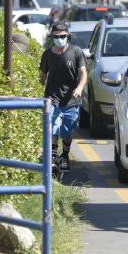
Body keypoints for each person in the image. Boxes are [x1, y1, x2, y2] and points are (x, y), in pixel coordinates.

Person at [39, 22, 87, 171]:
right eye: (56, 36)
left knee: (67, 131)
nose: (59, 39)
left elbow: (83, 73)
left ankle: (64, 155)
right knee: (52, 127)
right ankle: (53, 157)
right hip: (52, 98)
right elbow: (42, 75)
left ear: (68, 36)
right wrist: (42, 81)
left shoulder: (76, 51)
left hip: (72, 99)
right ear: (52, 37)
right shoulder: (47, 54)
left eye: (62, 36)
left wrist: (79, 88)